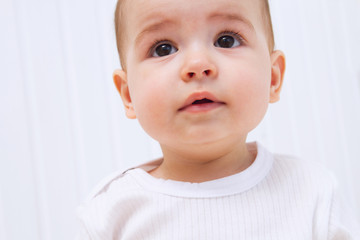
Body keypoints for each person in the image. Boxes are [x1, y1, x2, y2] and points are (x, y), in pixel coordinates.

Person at [76, 0, 360, 239]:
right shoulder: (112, 212)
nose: (198, 65)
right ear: (128, 95)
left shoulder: (312, 192)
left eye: (226, 40)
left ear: (272, 77)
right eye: (163, 48)